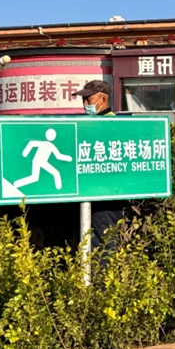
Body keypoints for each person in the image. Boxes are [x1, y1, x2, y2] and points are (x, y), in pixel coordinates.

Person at [72, 80, 125, 252]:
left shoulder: (110, 124)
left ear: (103, 99)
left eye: (89, 99)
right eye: (83, 100)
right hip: (93, 194)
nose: (85, 104)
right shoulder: (93, 124)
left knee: (102, 248)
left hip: (106, 199)